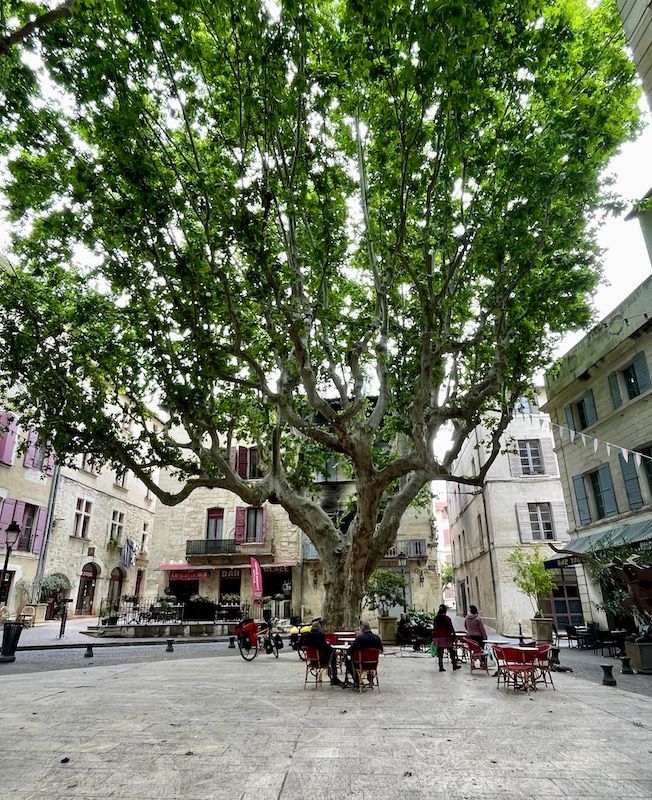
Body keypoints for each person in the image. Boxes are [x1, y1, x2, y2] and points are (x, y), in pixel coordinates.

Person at [298, 620, 344, 686]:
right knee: (333, 655)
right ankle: (334, 677)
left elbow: (302, 646)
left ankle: (333, 677)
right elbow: (325, 647)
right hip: (321, 660)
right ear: (318, 627)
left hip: (312, 661)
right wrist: (332, 650)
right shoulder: (320, 635)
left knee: (331, 654)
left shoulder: (306, 635)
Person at [346, 621, 383, 687]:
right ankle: (370, 678)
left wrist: (348, 653)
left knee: (347, 661)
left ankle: (358, 681)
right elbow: (381, 650)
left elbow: (351, 650)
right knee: (369, 658)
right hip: (373, 664)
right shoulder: (377, 638)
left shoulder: (360, 638)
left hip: (360, 664)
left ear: (362, 629)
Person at [432, 604, 460, 672]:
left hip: (438, 637)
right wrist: (454, 635)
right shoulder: (447, 618)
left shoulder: (436, 618)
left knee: (440, 652)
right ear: (445, 611)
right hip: (446, 637)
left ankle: (441, 667)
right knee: (451, 651)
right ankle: (454, 665)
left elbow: (434, 627)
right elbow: (451, 627)